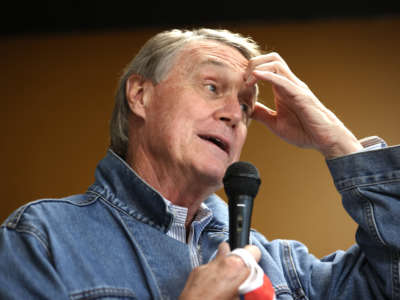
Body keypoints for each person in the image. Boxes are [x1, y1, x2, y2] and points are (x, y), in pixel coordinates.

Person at [0, 28, 399, 300]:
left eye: (245, 106)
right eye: (212, 87)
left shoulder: (284, 266)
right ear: (140, 95)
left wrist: (338, 141)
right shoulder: (41, 241)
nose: (233, 114)